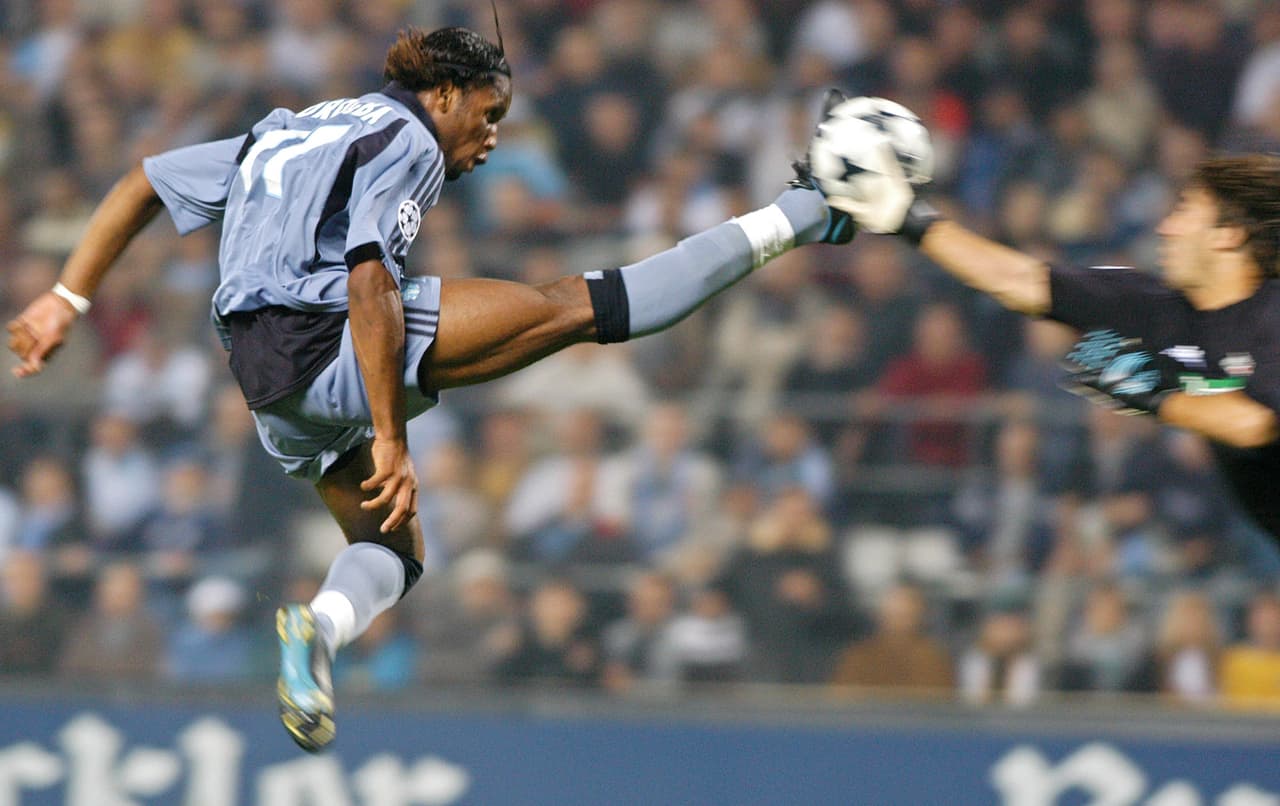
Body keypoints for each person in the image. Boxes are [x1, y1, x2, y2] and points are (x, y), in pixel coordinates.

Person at [5, 26, 852, 752]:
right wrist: (391, 437)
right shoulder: (406, 140)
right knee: (579, 305)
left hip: (265, 385)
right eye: (488, 116)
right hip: (325, 335)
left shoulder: (286, 130)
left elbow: (146, 180)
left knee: (395, 554)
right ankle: (808, 211)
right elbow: (370, 278)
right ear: (442, 95)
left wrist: (66, 296)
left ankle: (319, 635)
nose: (490, 140)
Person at [821, 111, 1280, 544]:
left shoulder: (1271, 314)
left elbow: (1255, 423)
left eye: (1185, 212)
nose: (1165, 227)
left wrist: (1156, 395)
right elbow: (1021, 280)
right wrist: (908, 218)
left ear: (1229, 235)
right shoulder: (1157, 309)